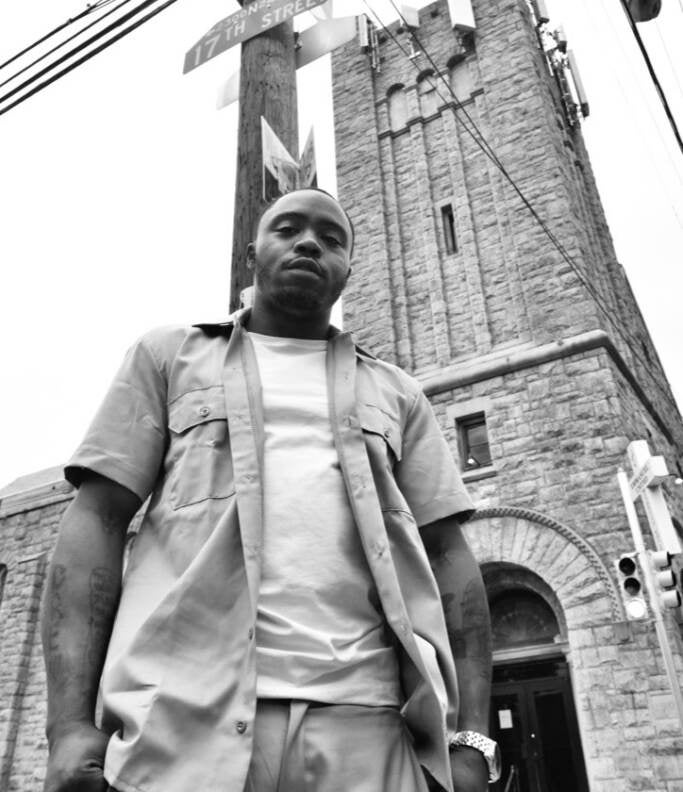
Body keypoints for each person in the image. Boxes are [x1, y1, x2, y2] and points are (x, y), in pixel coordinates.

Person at [42, 186, 499, 792]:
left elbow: (449, 558)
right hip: (179, 721)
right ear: (252, 251)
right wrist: (69, 725)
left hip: (369, 728)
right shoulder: (168, 357)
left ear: (347, 273)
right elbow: (95, 523)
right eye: (289, 229)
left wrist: (472, 738)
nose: (310, 241)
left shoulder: (400, 394)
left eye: (331, 238)